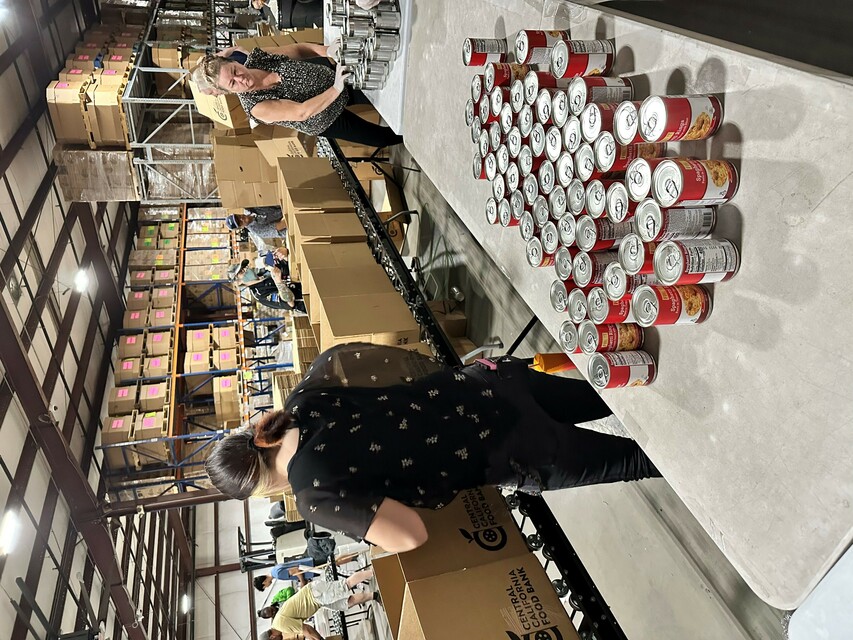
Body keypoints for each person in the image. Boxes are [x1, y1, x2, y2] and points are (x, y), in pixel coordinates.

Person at [205, 344, 662, 553]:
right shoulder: (303, 401)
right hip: (492, 383)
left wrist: (368, 536)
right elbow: (366, 359)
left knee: (643, 460)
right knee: (625, 388)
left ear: (259, 488)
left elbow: (411, 536)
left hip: (514, 449)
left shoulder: (313, 495)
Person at [198, 43, 403, 148]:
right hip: (325, 117)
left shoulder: (258, 59)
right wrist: (335, 89)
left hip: (334, 80)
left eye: (235, 71)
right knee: (380, 138)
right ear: (229, 92)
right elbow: (301, 112)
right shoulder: (256, 107)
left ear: (235, 62)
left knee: (388, 91)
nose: (241, 78)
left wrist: (327, 51)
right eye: (233, 83)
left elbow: (298, 49)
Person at [270, 568, 378, 639]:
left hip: (314, 595)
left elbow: (307, 629)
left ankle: (374, 570)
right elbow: (307, 632)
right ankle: (374, 596)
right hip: (317, 601)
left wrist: (320, 639)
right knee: (346, 603)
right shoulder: (278, 623)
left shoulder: (281, 625)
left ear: (272, 637)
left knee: (346, 584)